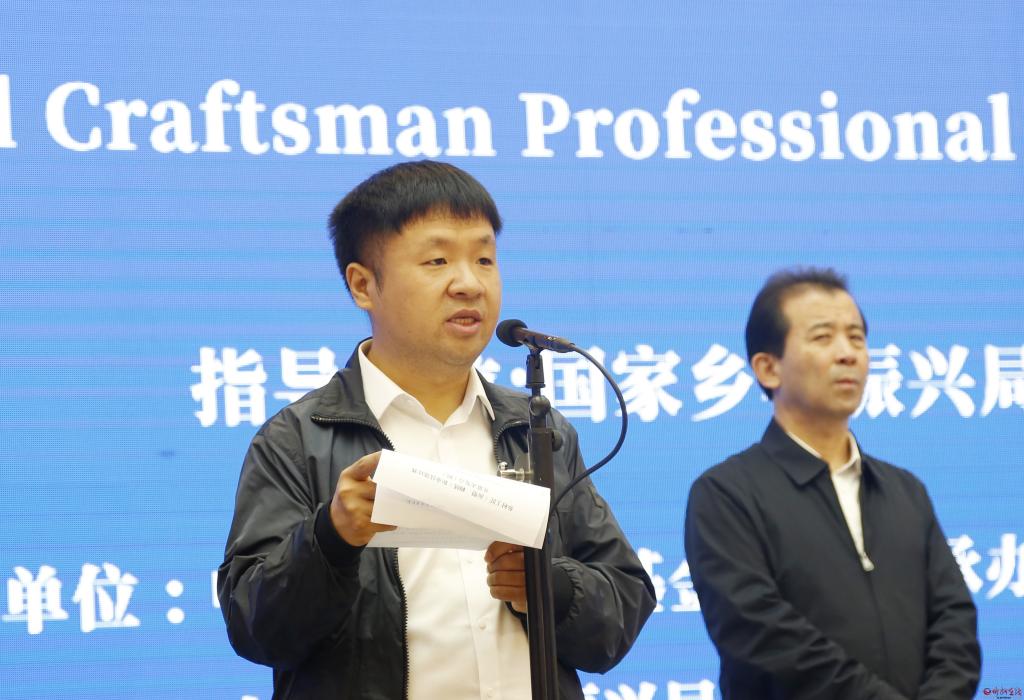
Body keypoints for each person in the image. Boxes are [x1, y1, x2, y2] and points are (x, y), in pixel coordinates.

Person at [217, 160, 655, 699]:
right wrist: (330, 538)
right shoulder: (298, 438)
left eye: (484, 259)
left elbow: (622, 607)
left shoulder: (535, 431)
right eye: (437, 260)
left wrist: (552, 588)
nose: (469, 283)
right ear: (362, 285)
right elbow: (254, 626)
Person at [684, 267, 981, 699]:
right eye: (823, 337)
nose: (848, 354)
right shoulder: (726, 495)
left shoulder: (905, 491)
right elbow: (765, 640)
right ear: (768, 368)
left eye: (856, 338)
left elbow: (955, 622)